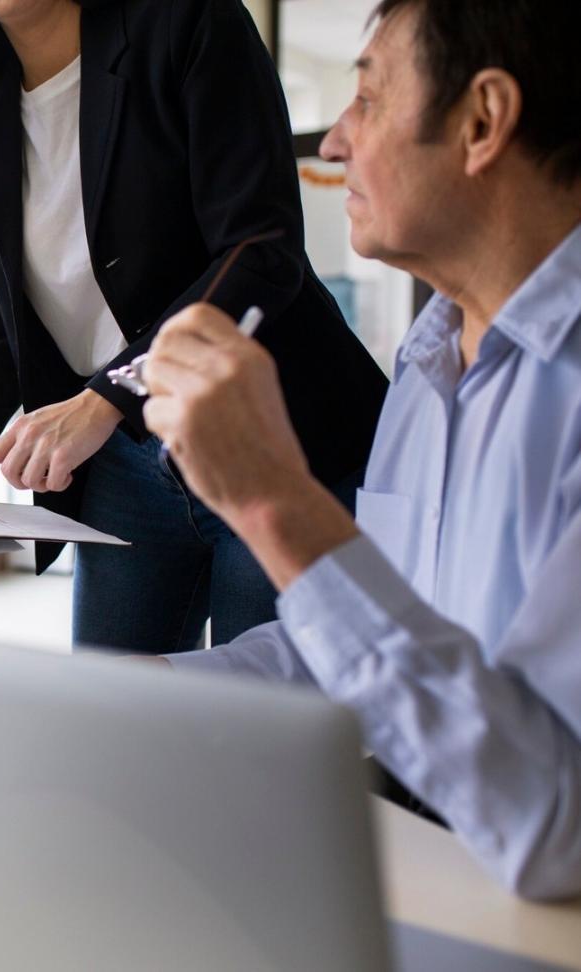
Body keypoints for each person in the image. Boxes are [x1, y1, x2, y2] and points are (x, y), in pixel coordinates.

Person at [142, 0, 581, 898]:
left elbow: (553, 824)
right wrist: (136, 698)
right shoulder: (425, 371)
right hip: (415, 864)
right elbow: (342, 650)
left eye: (369, 99)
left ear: (482, 121)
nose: (333, 144)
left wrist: (273, 499)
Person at [0, 0, 388, 654]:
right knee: (116, 726)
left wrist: (107, 395)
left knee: (259, 734)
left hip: (276, 438)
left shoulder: (189, 24)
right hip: (126, 472)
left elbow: (260, 247)